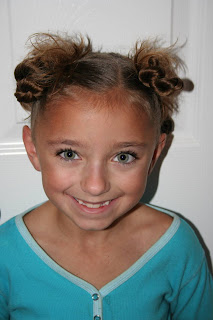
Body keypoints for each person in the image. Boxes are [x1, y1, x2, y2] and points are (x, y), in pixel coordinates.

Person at [0, 33, 212, 320]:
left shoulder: (178, 248)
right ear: (33, 149)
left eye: (123, 157)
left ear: (154, 155)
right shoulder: (5, 253)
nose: (95, 186)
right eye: (69, 153)